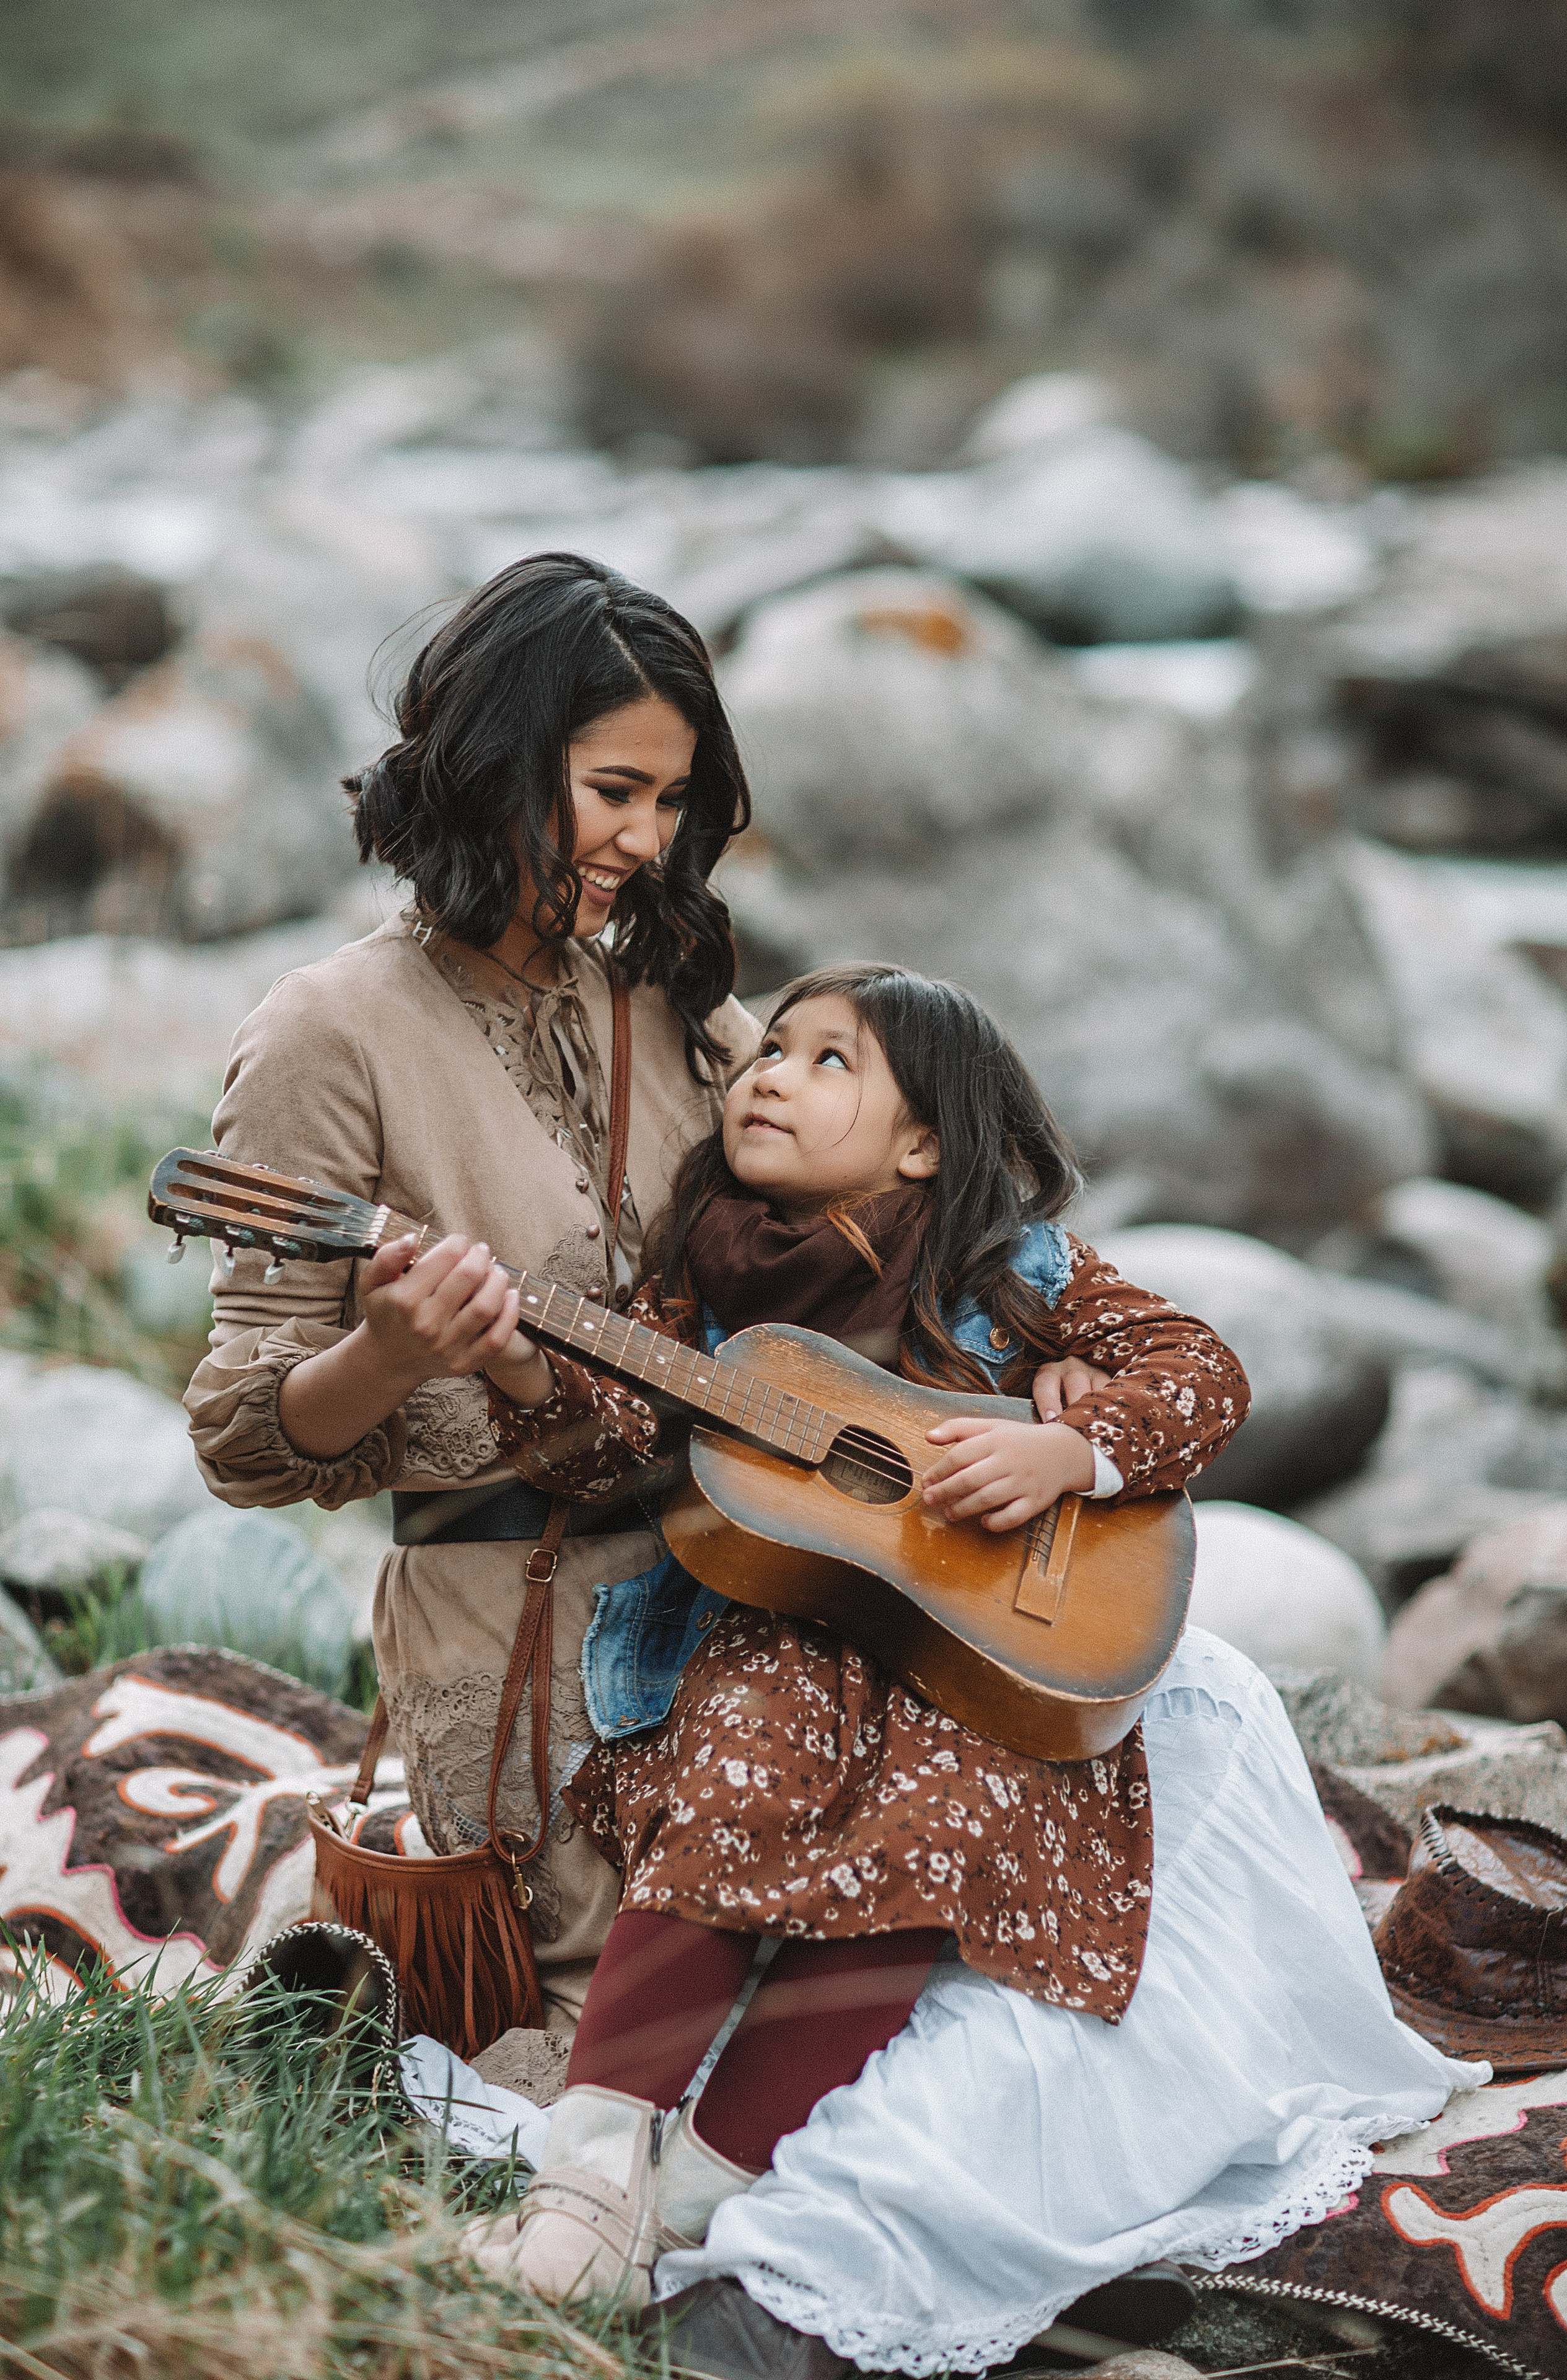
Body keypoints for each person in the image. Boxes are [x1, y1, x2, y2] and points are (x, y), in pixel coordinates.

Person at [465, 961, 1445, 2343]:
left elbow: (1202, 1371)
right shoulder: (698, 1275)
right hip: (773, 1640)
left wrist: (1071, 1450)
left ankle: (690, 2196)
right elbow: (610, 1442)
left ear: (923, 1142)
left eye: (828, 1061)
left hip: (985, 1672)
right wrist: (515, 1358)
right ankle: (584, 2179)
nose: (769, 1076)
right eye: (770, 1050)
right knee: (737, 1770)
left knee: (933, 1846)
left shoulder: (1016, 1267)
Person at [183, 551, 775, 2034]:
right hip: (516, 1635)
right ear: (499, 762)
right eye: (611, 789)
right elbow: (245, 1439)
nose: (644, 839)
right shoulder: (329, 1033)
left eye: (669, 801)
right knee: (635, 2035)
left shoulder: (674, 1005)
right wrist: (389, 1353)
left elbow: (869, 1219)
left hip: (756, 1586)